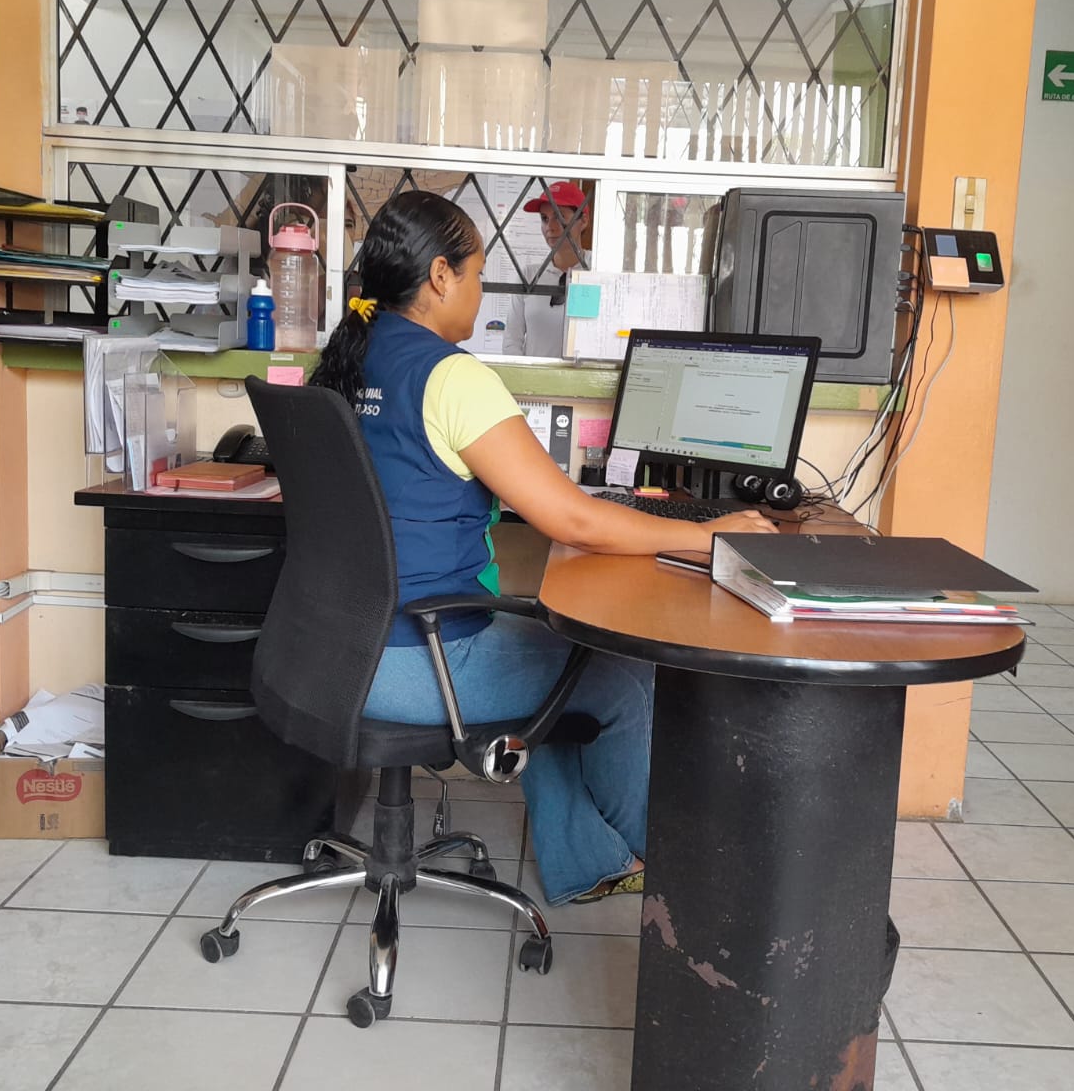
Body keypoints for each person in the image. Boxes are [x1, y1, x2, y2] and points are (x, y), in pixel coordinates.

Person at [311, 190, 777, 906]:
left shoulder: (352, 354)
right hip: (415, 658)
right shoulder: (450, 375)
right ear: (440, 276)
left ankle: (585, 865)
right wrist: (707, 533)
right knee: (620, 677)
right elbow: (573, 522)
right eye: (476, 274)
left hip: (334, 649)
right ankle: (694, 875)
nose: (479, 290)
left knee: (557, 653)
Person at [502, 180, 590, 358]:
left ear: (583, 220)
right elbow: (512, 341)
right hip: (533, 376)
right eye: (544, 218)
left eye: (559, 217)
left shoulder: (598, 272)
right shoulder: (528, 276)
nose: (550, 226)